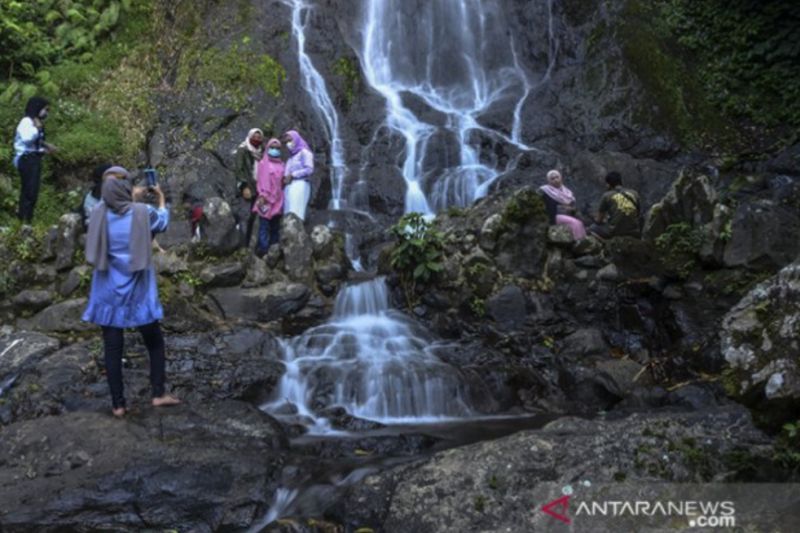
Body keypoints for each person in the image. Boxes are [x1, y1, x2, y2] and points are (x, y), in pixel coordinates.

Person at [82, 166, 180, 417]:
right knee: (154, 342)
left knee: (113, 349)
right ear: (127, 188)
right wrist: (160, 198)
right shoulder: (143, 212)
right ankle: (158, 394)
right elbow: (163, 221)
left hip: (108, 292)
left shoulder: (97, 214)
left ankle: (118, 405)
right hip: (138, 291)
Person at [13, 96, 56, 223]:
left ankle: (27, 220)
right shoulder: (26, 122)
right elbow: (27, 139)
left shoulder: (34, 122)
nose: (46, 113)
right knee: (29, 191)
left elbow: (34, 143)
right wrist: (36, 128)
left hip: (33, 158)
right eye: (45, 110)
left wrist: (44, 147)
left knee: (32, 191)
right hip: (27, 159)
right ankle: (24, 221)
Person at [233, 128, 265, 246]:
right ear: (249, 136)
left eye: (259, 137)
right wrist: (244, 186)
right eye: (254, 137)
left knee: (252, 218)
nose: (257, 139)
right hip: (247, 189)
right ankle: (242, 245)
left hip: (258, 188)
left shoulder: (261, 152)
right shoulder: (243, 150)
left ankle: (248, 245)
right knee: (245, 217)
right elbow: (239, 169)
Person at [254, 138, 285, 256]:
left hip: (278, 199)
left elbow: (282, 182)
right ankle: (263, 249)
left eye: (277, 148)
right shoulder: (263, 163)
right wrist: (262, 195)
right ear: (267, 148)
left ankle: (274, 250)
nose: (275, 150)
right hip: (265, 199)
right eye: (272, 147)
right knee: (264, 225)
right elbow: (261, 181)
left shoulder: (282, 164)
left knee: (275, 226)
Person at [589, 171, 641, 239]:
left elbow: (599, 220)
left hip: (615, 232)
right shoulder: (634, 193)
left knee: (592, 228)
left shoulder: (606, 196)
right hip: (634, 231)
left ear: (608, 184)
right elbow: (637, 214)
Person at [539, 169, 586, 240]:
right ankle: (578, 242)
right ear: (549, 181)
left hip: (568, 214)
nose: (555, 180)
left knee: (581, 222)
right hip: (554, 216)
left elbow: (572, 205)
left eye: (557, 177)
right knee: (576, 223)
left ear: (560, 178)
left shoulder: (566, 191)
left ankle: (584, 242)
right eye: (552, 179)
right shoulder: (546, 191)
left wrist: (570, 208)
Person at [282, 129, 314, 221]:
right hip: (289, 185)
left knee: (296, 211)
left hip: (300, 184)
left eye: (290, 140)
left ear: (296, 139)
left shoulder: (305, 152)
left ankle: (296, 233)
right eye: (287, 142)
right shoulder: (291, 157)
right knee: (288, 211)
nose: (288, 143)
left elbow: (309, 169)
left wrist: (293, 175)